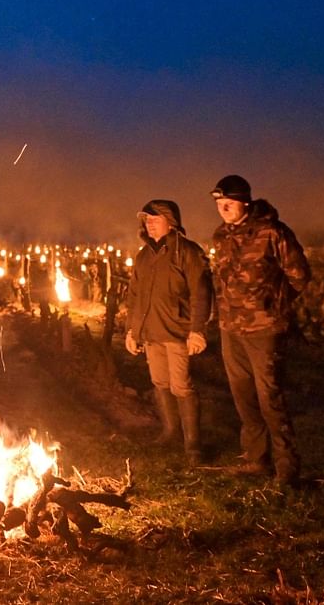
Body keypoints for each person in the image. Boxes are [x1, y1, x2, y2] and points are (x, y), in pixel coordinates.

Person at [210, 175, 311, 485]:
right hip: (231, 328)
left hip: (265, 329)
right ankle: (256, 458)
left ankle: (286, 467)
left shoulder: (272, 233)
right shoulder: (222, 236)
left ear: (245, 202)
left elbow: (299, 276)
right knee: (244, 397)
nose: (222, 207)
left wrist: (273, 304)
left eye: (228, 201)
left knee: (270, 398)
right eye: (218, 202)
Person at [124, 200, 213, 466]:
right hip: (151, 334)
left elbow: (201, 293)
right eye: (146, 220)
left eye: (154, 219)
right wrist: (132, 331)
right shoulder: (144, 255)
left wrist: (197, 330)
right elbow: (135, 296)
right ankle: (171, 432)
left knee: (181, 386)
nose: (149, 224)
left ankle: (193, 444)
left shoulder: (187, 252)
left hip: (176, 331)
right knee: (161, 383)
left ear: (171, 221)